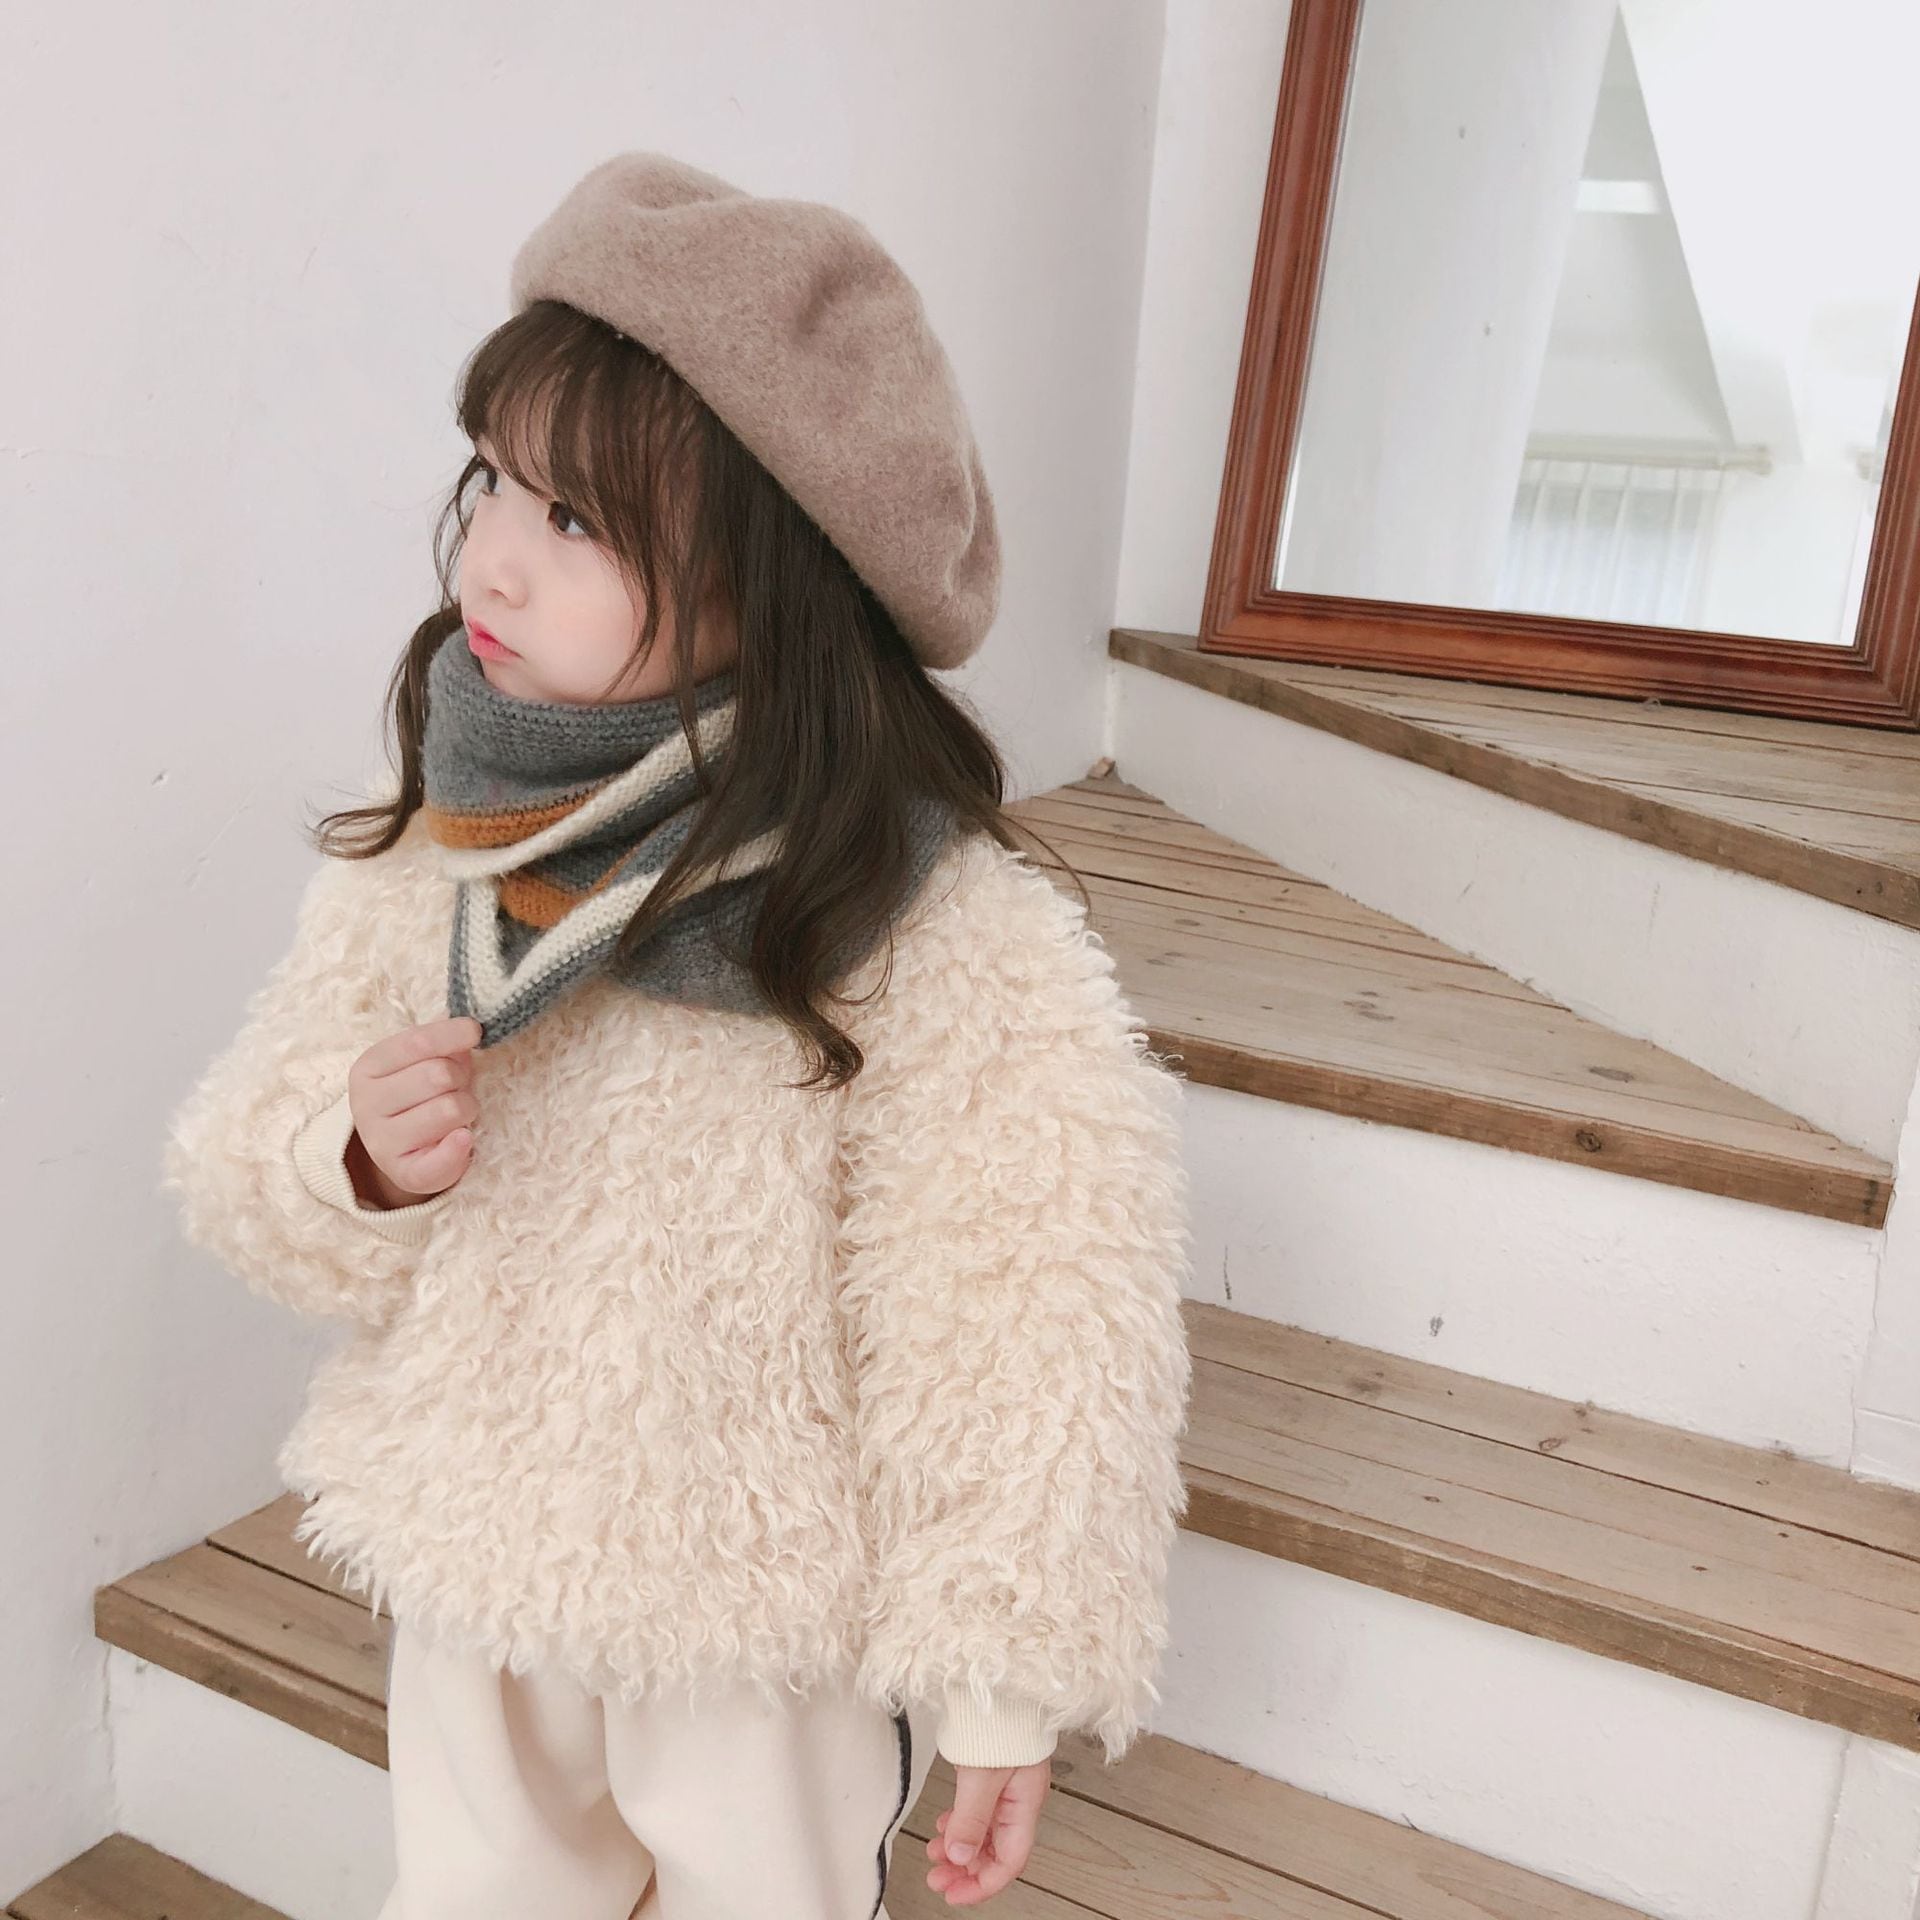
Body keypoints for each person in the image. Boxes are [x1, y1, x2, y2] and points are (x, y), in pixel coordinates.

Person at [159, 150, 1194, 1920]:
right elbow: (246, 1150)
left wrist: (1003, 1675)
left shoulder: (927, 923)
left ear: (773, 582)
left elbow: (1027, 1294)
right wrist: (351, 1155)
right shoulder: (447, 841)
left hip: (758, 1620)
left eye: (577, 521)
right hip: (480, 1557)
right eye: (496, 479)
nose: (492, 555)